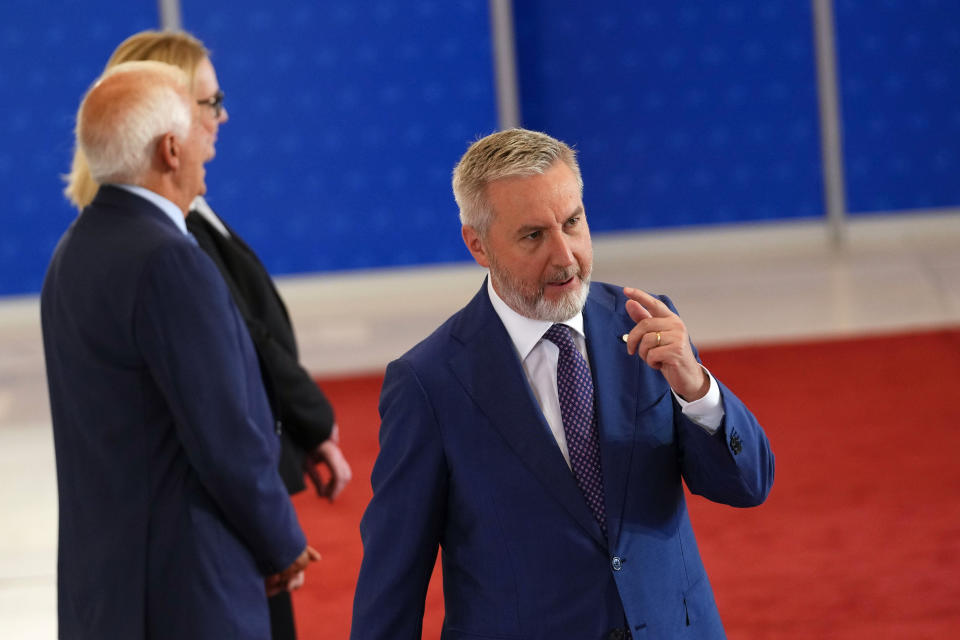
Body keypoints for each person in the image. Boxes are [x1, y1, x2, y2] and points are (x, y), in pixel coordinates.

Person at [351, 128, 775, 639]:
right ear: (477, 245)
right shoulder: (428, 384)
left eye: (573, 223)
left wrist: (698, 391)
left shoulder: (645, 324)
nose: (565, 256)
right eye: (533, 236)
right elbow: (392, 582)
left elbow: (749, 486)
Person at [63, 30, 352, 640]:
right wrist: (283, 542)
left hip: (109, 585)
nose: (212, 136)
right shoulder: (170, 259)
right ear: (170, 148)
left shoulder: (73, 252)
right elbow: (224, 430)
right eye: (202, 118)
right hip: (188, 584)